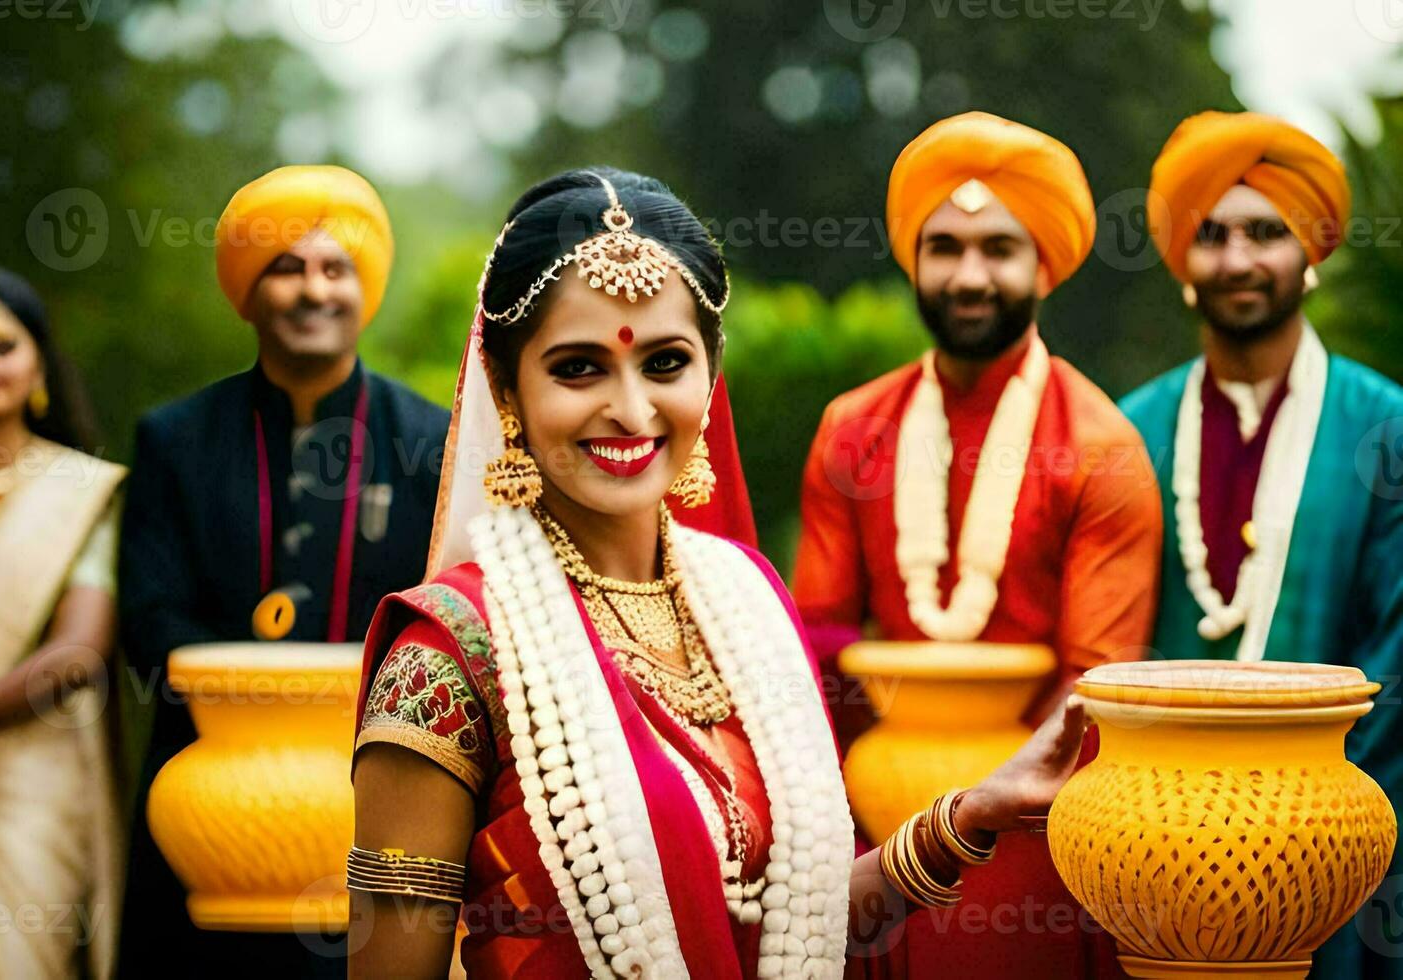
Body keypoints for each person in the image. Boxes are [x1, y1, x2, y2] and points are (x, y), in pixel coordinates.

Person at [347, 166, 1096, 978]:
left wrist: (964, 818)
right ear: (506, 387)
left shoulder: (749, 604)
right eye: (578, 368)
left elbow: (797, 931)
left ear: (710, 372)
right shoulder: (446, 661)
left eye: (666, 363)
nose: (631, 411)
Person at [792, 111, 1164, 978]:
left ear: (1043, 263)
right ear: (914, 263)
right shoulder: (854, 431)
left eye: (997, 248)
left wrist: (985, 809)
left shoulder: (1102, 447)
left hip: (1038, 828)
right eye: (944, 247)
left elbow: (1095, 694)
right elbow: (815, 647)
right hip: (867, 818)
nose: (969, 274)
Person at [115, 165, 450, 977]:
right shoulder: (175, 440)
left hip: (380, 796)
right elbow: (149, 619)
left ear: (362, 287)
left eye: (334, 268)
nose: (313, 290)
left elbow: (449, 617)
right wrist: (258, 713)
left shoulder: (433, 443)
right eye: (286, 268)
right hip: (207, 805)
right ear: (249, 291)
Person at [1120, 110, 1403, 978]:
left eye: (1265, 232)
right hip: (1153, 852)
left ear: (1309, 252)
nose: (1238, 260)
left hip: (1340, 857)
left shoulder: (1384, 428)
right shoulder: (1133, 430)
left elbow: (1395, 665)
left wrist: (1308, 844)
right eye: (1210, 234)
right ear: (1182, 262)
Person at [0, 267, 126, 979]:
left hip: (28, 768)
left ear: (38, 363)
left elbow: (79, 652)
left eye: (3, 345)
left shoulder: (76, 491)